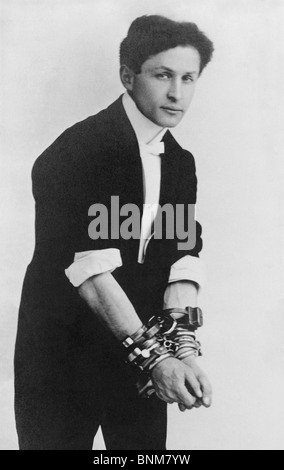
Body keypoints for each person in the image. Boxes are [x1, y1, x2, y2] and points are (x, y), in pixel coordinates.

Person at [14, 15, 214, 450]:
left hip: (139, 348)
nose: (177, 93)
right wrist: (157, 357)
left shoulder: (180, 161)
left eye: (188, 78)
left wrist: (186, 349)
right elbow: (92, 270)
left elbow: (181, 253)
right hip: (62, 355)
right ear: (128, 75)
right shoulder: (79, 150)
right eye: (162, 75)